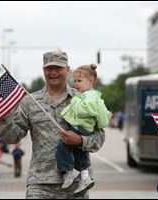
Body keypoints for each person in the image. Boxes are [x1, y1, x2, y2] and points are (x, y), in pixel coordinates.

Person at [0, 51, 105, 199]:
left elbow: (99, 138)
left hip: (76, 185)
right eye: (49, 68)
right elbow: (12, 138)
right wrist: (4, 118)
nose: (53, 72)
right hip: (40, 184)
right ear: (43, 71)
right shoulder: (30, 102)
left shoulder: (83, 99)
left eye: (58, 68)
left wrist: (80, 140)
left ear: (67, 70)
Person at [57, 64, 112, 195]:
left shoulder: (89, 96)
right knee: (79, 152)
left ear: (91, 81)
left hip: (81, 128)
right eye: (75, 81)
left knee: (63, 145)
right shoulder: (91, 96)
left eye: (79, 81)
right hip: (83, 128)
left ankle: (68, 172)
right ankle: (85, 177)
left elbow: (84, 110)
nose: (76, 84)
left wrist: (75, 100)